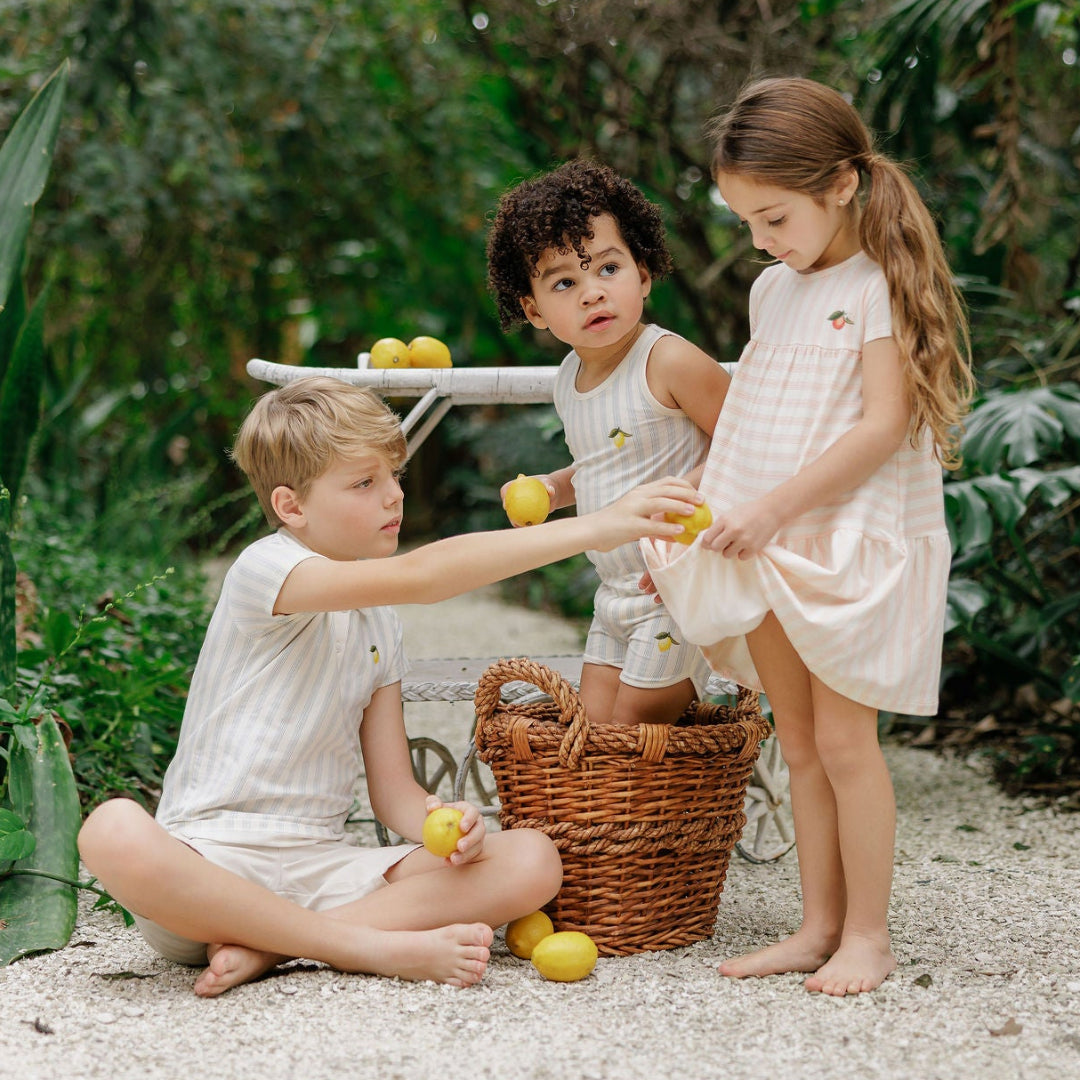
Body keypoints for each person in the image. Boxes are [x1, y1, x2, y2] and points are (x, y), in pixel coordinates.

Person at [78, 376, 702, 998]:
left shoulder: (380, 624)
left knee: (532, 859)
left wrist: (446, 820)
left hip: (317, 870)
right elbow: (426, 576)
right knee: (111, 831)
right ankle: (364, 947)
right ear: (292, 506)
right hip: (209, 869)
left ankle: (272, 946)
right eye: (364, 483)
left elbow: (394, 793)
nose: (393, 498)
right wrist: (601, 525)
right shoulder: (263, 570)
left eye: (394, 478)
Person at [641, 77, 974, 995]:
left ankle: (868, 934)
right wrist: (703, 502)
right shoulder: (772, 292)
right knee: (794, 741)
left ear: (839, 186)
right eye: (746, 220)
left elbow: (877, 428)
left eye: (774, 216)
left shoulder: (880, 288)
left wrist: (775, 510)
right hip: (769, 539)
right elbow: (751, 420)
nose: (761, 240)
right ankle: (816, 925)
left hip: (839, 542)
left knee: (844, 743)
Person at [486, 159, 730, 726]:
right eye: (565, 282)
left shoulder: (667, 360)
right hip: (614, 594)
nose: (592, 293)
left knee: (630, 735)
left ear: (643, 275)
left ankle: (661, 816)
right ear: (534, 310)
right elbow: (601, 466)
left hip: (675, 585)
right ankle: (625, 819)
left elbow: (749, 445)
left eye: (608, 269)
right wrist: (551, 488)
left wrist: (682, 497)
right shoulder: (569, 380)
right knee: (592, 734)